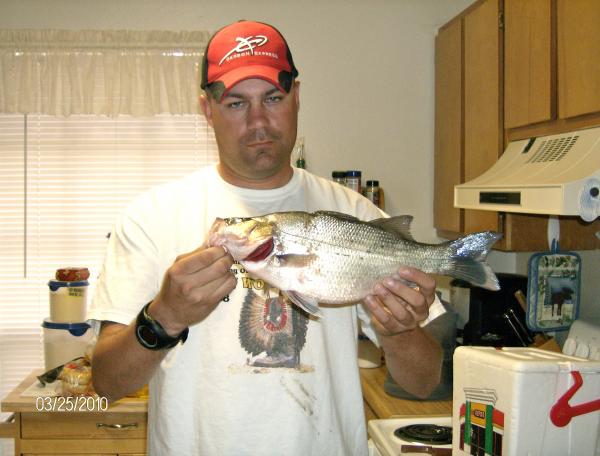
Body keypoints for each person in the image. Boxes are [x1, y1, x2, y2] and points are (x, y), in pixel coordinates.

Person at [89, 20, 443, 456]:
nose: (258, 121)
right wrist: (164, 317)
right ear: (207, 110)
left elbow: (424, 382)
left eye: (273, 98)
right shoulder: (151, 217)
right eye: (237, 103)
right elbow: (105, 383)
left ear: (296, 97)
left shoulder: (356, 215)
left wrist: (402, 331)